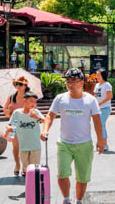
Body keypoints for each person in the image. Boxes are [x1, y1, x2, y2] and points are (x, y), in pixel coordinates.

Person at [41, 68, 106, 204]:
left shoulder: (90, 100)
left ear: (81, 83)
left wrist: (101, 140)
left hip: (84, 144)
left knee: (82, 177)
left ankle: (79, 200)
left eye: (73, 81)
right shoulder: (60, 99)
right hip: (64, 143)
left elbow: (97, 122)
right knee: (62, 174)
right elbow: (50, 115)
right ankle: (66, 199)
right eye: (68, 82)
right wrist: (45, 129)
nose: (70, 84)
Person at [4, 91, 44, 176]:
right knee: (26, 168)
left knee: (34, 169)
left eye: (35, 101)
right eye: (31, 101)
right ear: (24, 101)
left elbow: (46, 121)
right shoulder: (17, 113)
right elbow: (11, 124)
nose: (34, 103)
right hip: (23, 146)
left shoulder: (36, 112)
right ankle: (29, 185)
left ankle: (33, 187)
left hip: (35, 146)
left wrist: (36, 117)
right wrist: (8, 129)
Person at [3, 75, 30, 175]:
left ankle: (25, 166)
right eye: (16, 84)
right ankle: (17, 165)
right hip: (13, 124)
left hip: (26, 124)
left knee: (25, 146)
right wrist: (8, 111)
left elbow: (33, 108)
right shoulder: (11, 97)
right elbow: (5, 111)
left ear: (25, 86)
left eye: (21, 84)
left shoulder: (29, 97)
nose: (18, 86)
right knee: (15, 147)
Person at [93, 69, 113, 150]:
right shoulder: (97, 85)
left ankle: (104, 144)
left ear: (103, 75)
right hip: (97, 109)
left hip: (105, 108)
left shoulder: (107, 85)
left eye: (98, 75)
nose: (97, 77)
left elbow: (110, 96)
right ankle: (100, 142)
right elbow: (95, 96)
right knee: (98, 125)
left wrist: (101, 103)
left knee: (101, 124)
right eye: (96, 75)